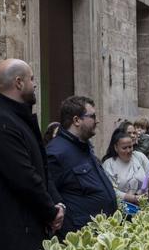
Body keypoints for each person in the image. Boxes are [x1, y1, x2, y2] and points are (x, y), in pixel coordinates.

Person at [0, 59, 64, 250]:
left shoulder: (14, 118)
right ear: (19, 83)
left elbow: (40, 168)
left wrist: (57, 204)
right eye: (32, 79)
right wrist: (50, 212)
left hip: (23, 232)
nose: (35, 84)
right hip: (7, 241)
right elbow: (24, 177)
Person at [46, 95, 118, 237]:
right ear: (77, 120)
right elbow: (49, 196)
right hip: (80, 238)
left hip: (100, 234)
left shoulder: (84, 147)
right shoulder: (56, 153)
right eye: (92, 116)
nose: (97, 121)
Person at [102, 127, 149, 210]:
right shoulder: (109, 164)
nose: (128, 150)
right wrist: (132, 198)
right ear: (116, 148)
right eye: (124, 148)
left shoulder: (139, 157)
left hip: (144, 206)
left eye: (130, 147)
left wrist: (145, 191)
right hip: (121, 208)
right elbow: (110, 190)